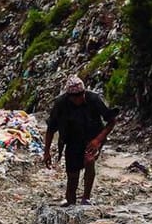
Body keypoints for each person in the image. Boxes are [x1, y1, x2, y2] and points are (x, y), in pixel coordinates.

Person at [42, 77, 120, 206]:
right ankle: (70, 200)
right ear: (69, 96)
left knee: (89, 160)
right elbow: (51, 129)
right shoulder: (61, 104)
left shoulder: (93, 99)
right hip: (72, 140)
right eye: (74, 97)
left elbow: (111, 121)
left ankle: (86, 197)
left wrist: (98, 140)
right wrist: (46, 152)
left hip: (92, 138)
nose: (78, 99)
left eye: (80, 95)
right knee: (72, 174)